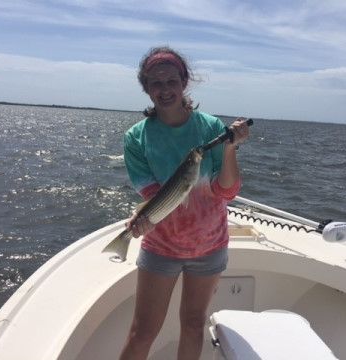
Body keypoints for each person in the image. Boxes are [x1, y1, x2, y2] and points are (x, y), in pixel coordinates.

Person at [119, 46, 250, 360]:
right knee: (142, 332)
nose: (165, 90)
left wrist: (231, 148)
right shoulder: (137, 137)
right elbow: (153, 195)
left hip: (209, 246)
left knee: (193, 324)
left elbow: (226, 193)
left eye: (171, 81)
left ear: (184, 82)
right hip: (161, 246)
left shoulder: (210, 128)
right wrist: (141, 216)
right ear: (146, 87)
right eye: (156, 83)